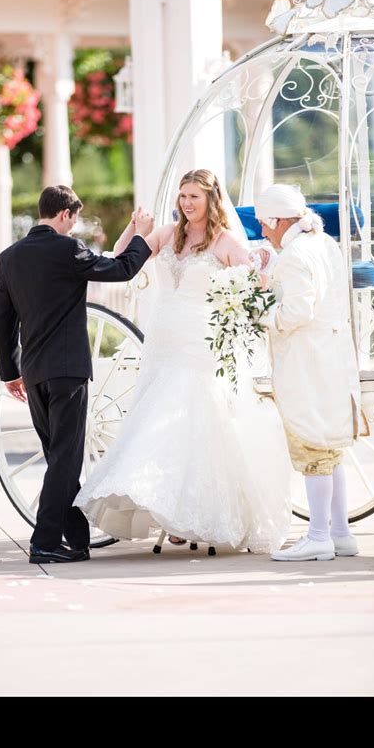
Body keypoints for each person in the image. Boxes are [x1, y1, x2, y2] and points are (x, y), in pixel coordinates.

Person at [74, 170, 293, 552]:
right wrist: (134, 228)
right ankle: (167, 508)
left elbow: (255, 282)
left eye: (194, 196)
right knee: (156, 417)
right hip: (162, 340)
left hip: (199, 345)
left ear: (211, 199)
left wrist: (260, 271)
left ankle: (191, 512)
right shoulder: (166, 234)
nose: (187, 203)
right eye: (183, 196)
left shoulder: (224, 241)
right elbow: (122, 261)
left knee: (188, 421)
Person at [0, 185, 153, 564]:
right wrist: (142, 236)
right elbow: (122, 269)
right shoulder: (68, 250)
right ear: (65, 215)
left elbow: (2, 319)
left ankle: (76, 538)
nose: (74, 225)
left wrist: (9, 370)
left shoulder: (10, 257)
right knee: (66, 459)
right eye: (75, 218)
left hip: (32, 373)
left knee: (58, 458)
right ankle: (44, 541)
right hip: (67, 371)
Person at [255, 184, 362, 561]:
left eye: (265, 224)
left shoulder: (296, 255)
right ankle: (341, 533)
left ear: (280, 220)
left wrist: (260, 313)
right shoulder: (325, 243)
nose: (264, 232)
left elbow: (296, 313)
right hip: (331, 356)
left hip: (307, 360)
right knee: (329, 447)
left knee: (311, 444)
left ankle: (318, 536)